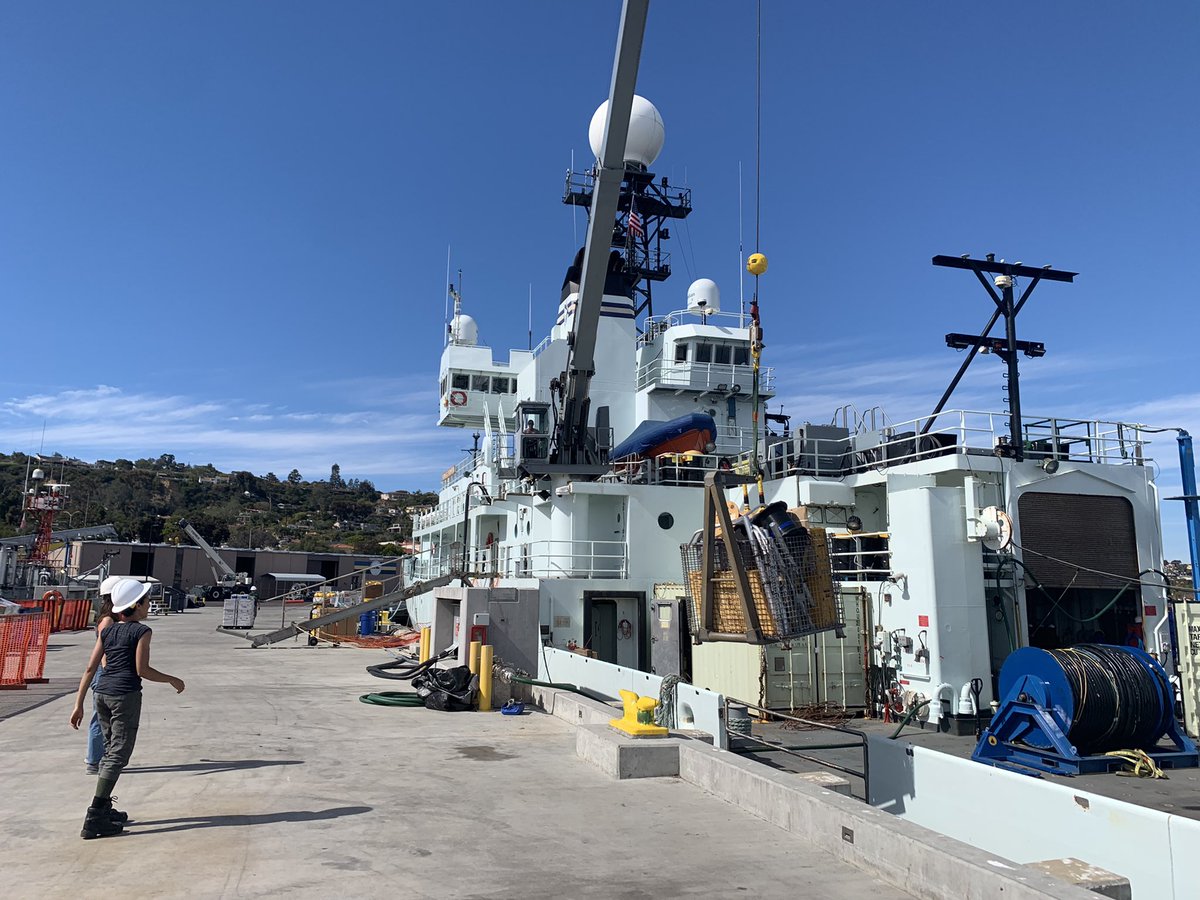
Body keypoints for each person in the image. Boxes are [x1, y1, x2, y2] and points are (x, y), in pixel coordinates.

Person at [70, 579, 185, 839]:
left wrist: (78, 704)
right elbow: (142, 670)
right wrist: (172, 679)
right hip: (124, 696)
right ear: (136, 605)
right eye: (146, 601)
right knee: (118, 754)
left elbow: (90, 667)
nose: (149, 604)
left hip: (102, 694)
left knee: (110, 749)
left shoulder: (108, 631)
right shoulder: (142, 631)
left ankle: (104, 807)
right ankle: (95, 815)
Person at [84, 575, 123, 775]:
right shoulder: (107, 621)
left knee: (105, 719)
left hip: (107, 672)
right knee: (99, 719)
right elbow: (105, 652)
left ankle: (101, 758)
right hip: (104, 674)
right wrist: (110, 672)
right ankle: (94, 760)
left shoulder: (113, 619)